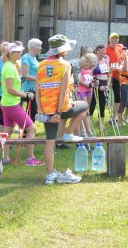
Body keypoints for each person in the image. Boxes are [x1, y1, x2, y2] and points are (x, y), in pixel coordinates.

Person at [35, 34, 87, 185]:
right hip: (61, 109)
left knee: (50, 142)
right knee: (84, 107)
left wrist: (40, 109)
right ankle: (68, 133)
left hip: (46, 109)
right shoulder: (65, 65)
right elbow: (63, 91)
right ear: (63, 50)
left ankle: (50, 175)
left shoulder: (41, 65)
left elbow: (37, 89)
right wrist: (58, 113)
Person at [0, 42, 43, 166]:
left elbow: (14, 87)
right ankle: (30, 159)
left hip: (8, 103)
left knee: (7, 130)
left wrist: (24, 92)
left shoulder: (11, 65)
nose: (21, 54)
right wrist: (26, 95)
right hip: (11, 104)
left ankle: (5, 157)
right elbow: (10, 89)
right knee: (32, 128)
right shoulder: (9, 67)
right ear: (12, 54)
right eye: (19, 52)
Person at [74, 53, 97, 137]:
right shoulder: (80, 68)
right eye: (91, 64)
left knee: (87, 111)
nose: (91, 66)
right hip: (82, 91)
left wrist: (94, 82)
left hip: (89, 91)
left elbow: (91, 79)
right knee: (84, 111)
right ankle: (88, 132)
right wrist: (88, 85)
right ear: (87, 61)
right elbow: (78, 80)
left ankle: (84, 131)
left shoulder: (90, 69)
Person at [20, 38, 42, 127]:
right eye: (39, 46)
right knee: (31, 113)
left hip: (35, 88)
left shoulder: (34, 58)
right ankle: (27, 132)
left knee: (33, 112)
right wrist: (40, 80)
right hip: (29, 89)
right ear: (32, 47)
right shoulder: (26, 57)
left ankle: (29, 131)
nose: (41, 48)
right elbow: (26, 76)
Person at [92, 44, 111, 134]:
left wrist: (108, 85)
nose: (104, 52)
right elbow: (90, 74)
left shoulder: (106, 60)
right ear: (97, 51)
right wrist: (99, 86)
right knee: (92, 106)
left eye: (105, 50)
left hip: (105, 84)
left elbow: (109, 74)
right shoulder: (93, 61)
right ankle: (88, 128)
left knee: (102, 106)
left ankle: (102, 126)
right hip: (96, 84)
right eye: (102, 50)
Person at [106, 33, 125, 117]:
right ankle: (101, 118)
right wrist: (108, 68)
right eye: (112, 38)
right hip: (107, 76)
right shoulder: (106, 49)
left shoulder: (119, 49)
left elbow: (122, 60)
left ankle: (114, 117)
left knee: (117, 97)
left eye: (116, 38)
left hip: (116, 76)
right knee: (105, 98)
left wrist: (120, 66)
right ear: (109, 39)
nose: (114, 40)